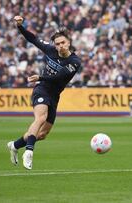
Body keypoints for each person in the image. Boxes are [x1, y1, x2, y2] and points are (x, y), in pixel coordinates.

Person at [6, 16, 82, 170]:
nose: (60, 46)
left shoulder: (75, 62)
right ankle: (29, 151)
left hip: (54, 95)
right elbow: (32, 38)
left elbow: (59, 76)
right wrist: (20, 26)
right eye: (58, 43)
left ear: (69, 43)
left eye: (63, 43)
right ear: (55, 44)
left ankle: (14, 145)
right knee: (40, 118)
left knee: (43, 134)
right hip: (41, 89)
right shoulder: (50, 49)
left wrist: (40, 76)